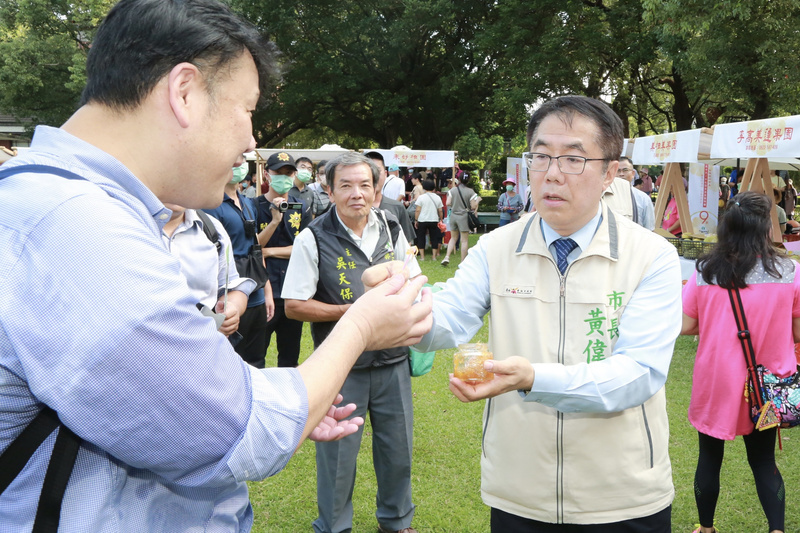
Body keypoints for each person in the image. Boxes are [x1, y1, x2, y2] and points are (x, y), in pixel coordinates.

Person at [0, 1, 433, 531]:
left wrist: (280, 397)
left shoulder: (57, 205)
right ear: (184, 92)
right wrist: (363, 323)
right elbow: (237, 432)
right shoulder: (75, 225)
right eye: (247, 110)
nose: (251, 142)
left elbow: (178, 395)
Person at [383, 95, 682, 531]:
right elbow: (447, 316)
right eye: (541, 157)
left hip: (622, 497)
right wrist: (399, 301)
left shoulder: (651, 256)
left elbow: (639, 373)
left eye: (573, 159)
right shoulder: (498, 247)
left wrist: (533, 379)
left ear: (610, 174)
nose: (552, 173)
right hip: (520, 494)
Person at [282, 153, 421, 533]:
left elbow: (414, 277)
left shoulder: (392, 227)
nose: (356, 194)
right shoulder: (313, 236)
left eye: (365, 185)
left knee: (398, 450)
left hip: (392, 361)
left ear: (377, 190)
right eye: (345, 186)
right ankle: (334, 525)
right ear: (329, 191)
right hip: (342, 366)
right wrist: (354, 313)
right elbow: (294, 306)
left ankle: (396, 522)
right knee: (338, 456)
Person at [681, 191, 797, 533]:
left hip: (716, 381)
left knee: (709, 457)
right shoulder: (789, 271)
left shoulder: (706, 272)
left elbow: (686, 325)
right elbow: (798, 327)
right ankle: (777, 530)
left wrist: (717, 322)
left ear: (727, 227)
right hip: (768, 386)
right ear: (765, 227)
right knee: (764, 461)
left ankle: (705, 528)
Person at [205, 162, 276, 368]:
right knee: (231, 360)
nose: (239, 165)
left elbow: (256, 247)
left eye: (243, 160)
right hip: (230, 295)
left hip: (256, 292)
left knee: (257, 358)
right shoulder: (211, 206)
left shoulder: (248, 203)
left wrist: (267, 290)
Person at [162, 204, 254, 340]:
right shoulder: (126, 224)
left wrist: (231, 310)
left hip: (201, 346)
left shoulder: (211, 228)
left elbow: (229, 285)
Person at [254, 153, 312, 367]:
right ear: (267, 175)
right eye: (278, 173)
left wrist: (269, 252)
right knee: (256, 355)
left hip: (292, 291)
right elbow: (253, 247)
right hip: (262, 290)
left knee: (289, 357)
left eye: (289, 173)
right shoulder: (253, 207)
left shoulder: (301, 207)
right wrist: (275, 221)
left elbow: (303, 249)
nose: (284, 178)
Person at [366, 151, 416, 242]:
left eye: (377, 170)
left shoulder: (398, 208)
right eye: (368, 170)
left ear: (385, 174)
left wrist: (394, 203)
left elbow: (406, 246)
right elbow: (401, 195)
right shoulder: (351, 207)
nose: (373, 175)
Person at [440, 171, 480, 266]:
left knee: (453, 238)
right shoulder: (471, 192)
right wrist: (477, 200)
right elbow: (473, 206)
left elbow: (448, 203)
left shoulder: (453, 190)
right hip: (463, 216)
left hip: (453, 216)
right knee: (464, 240)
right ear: (468, 180)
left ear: (459, 179)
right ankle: (462, 262)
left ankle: (447, 257)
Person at [608, 156, 656, 230]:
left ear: (633, 173)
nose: (621, 174)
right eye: (618, 171)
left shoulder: (643, 199)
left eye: (625, 170)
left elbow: (649, 229)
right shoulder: (605, 196)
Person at [414, 178, 444, 261]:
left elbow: (417, 210)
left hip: (422, 220)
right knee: (434, 237)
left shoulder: (421, 197)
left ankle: (422, 257)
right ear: (433, 187)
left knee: (421, 237)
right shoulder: (437, 197)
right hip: (434, 219)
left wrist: (416, 220)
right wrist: (441, 219)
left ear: (424, 187)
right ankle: (434, 256)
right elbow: (440, 210)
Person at [290, 155, 318, 220]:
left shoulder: (310, 192)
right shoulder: (286, 189)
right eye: (303, 167)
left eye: (309, 169)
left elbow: (312, 213)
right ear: (295, 170)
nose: (306, 170)